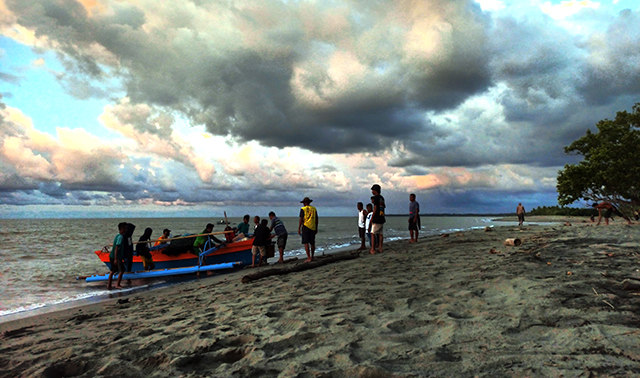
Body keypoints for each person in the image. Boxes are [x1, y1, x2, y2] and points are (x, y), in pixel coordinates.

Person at [298, 197, 318, 262]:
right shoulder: (314, 209)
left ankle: (309, 258)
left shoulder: (303, 209)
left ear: (304, 203)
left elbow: (301, 219)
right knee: (312, 243)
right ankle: (312, 256)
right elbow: (316, 219)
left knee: (306, 243)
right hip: (313, 227)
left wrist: (299, 228)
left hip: (306, 226)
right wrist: (316, 227)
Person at [107, 222, 127, 290]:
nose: (126, 230)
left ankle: (109, 285)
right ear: (122, 229)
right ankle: (117, 284)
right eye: (125, 228)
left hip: (113, 256)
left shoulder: (117, 235)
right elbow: (117, 248)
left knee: (113, 270)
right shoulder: (120, 237)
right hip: (116, 257)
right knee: (122, 270)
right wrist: (116, 259)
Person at [370, 184, 386, 254]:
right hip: (382, 217)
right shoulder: (382, 198)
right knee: (380, 234)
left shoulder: (376, 198)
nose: (372, 191)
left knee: (373, 233)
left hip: (377, 218)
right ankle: (380, 248)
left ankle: (373, 249)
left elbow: (375, 208)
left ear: (375, 190)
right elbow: (384, 206)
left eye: (372, 190)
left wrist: (372, 218)